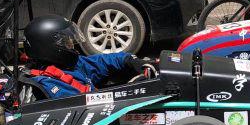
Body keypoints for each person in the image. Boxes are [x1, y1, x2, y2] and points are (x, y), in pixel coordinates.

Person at [16, 16, 155, 99]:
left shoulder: (67, 64)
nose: (71, 45)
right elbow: (86, 103)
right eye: (66, 42)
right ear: (48, 47)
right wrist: (132, 90)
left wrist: (130, 60)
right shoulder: (48, 82)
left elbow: (99, 62)